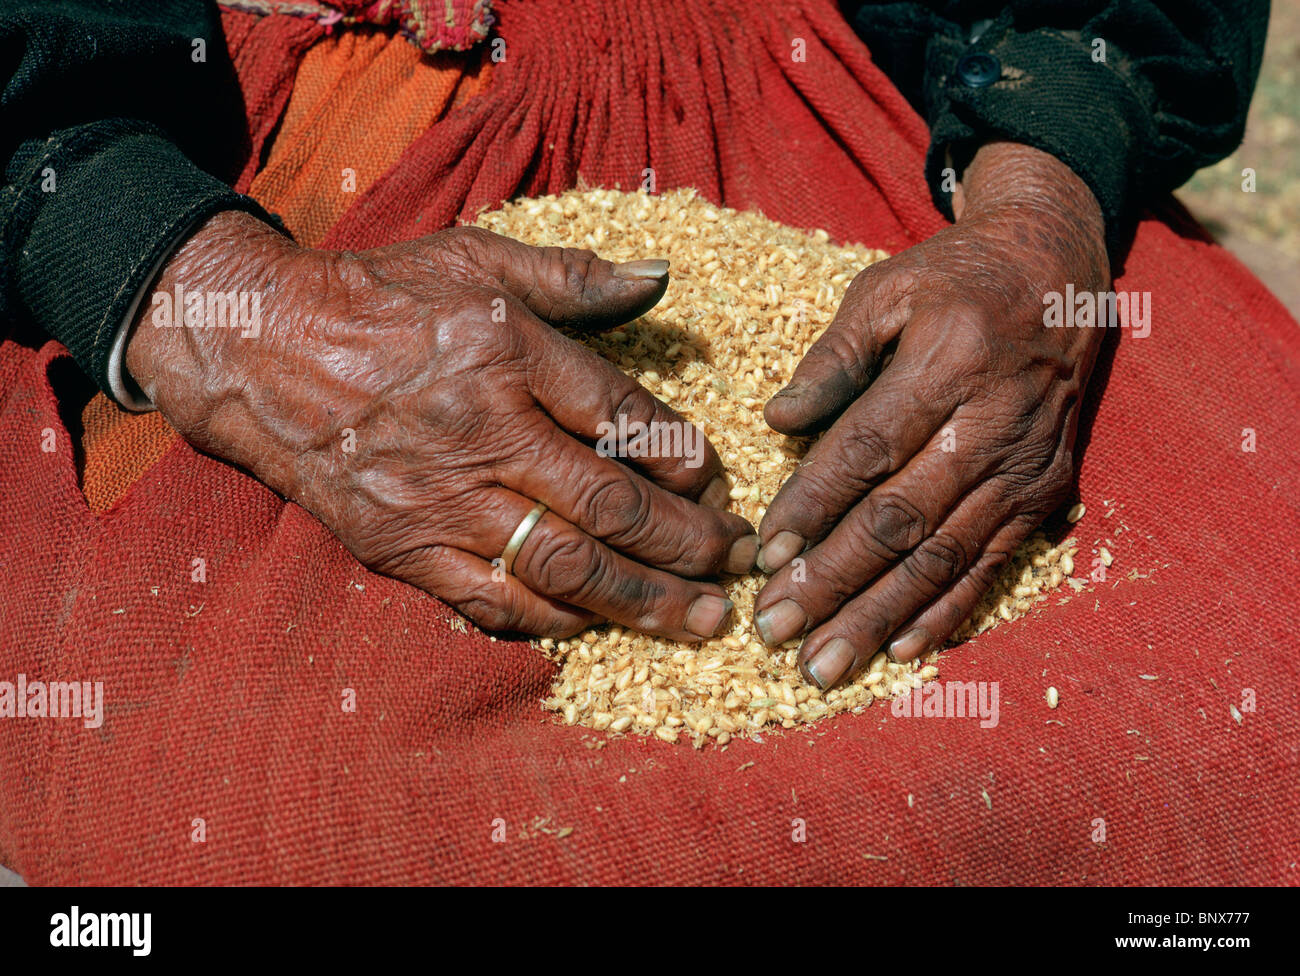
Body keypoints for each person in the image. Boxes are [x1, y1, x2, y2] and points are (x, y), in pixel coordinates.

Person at [0, 0, 1269, 692]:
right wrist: (203, 294)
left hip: (871, 88)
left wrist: (1040, 201)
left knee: (1239, 653)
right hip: (209, 163)